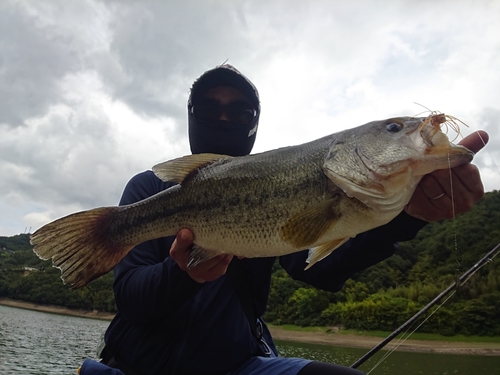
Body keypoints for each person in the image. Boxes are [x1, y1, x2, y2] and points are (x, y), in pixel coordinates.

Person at [95, 64, 487, 375]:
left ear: (254, 121)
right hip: (135, 366)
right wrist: (183, 273)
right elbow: (132, 299)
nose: (225, 118)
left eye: (240, 110)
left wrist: (409, 216)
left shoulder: (280, 179)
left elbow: (316, 269)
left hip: (240, 367)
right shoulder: (147, 189)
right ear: (192, 115)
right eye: (210, 108)